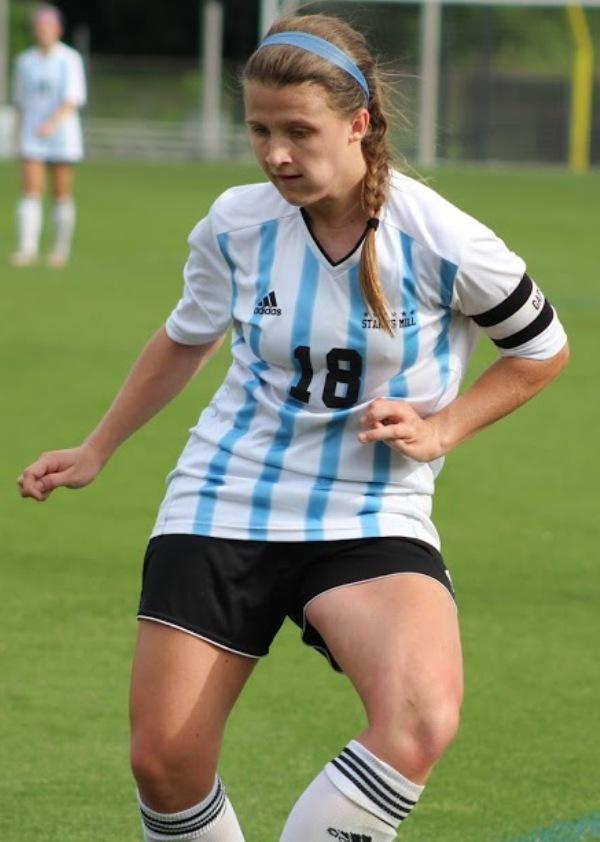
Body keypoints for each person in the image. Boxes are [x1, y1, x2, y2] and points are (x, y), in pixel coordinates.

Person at [18, 12, 569, 842]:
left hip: (368, 513)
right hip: (224, 497)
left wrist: (446, 427)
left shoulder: (443, 237)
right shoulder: (236, 225)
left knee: (420, 719)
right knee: (165, 763)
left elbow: (542, 349)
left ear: (360, 123)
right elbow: (185, 336)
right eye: (260, 130)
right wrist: (98, 448)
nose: (276, 153)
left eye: (298, 131)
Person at [11, 3, 86, 268]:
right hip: (33, 133)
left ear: (58, 30)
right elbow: (19, 101)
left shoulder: (69, 59)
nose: (43, 32)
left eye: (48, 27)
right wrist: (17, 134)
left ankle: (59, 249)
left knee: (60, 193)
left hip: (62, 135)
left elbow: (72, 98)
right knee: (30, 191)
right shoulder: (24, 62)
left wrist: (52, 124)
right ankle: (27, 247)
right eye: (39, 27)